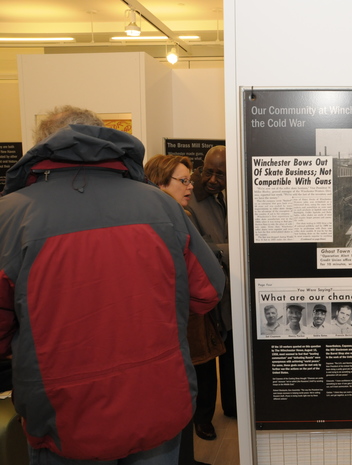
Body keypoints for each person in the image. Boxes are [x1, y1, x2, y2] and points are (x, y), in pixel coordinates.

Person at [0, 105, 225, 464]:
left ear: (41, 146)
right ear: (105, 139)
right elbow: (208, 291)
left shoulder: (10, 215)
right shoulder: (162, 206)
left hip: (65, 415)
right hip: (156, 401)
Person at [145, 154, 222, 465]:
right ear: (160, 182)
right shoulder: (173, 218)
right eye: (184, 180)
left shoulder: (167, 214)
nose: (191, 186)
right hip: (176, 320)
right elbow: (207, 287)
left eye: (191, 179)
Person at [184, 145, 236, 440]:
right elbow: (200, 247)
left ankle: (232, 406)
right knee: (204, 356)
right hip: (202, 290)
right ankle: (202, 418)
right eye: (208, 172)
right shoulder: (190, 199)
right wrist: (237, 249)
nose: (213, 179)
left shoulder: (227, 195)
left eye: (221, 174)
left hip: (227, 287)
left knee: (230, 351)